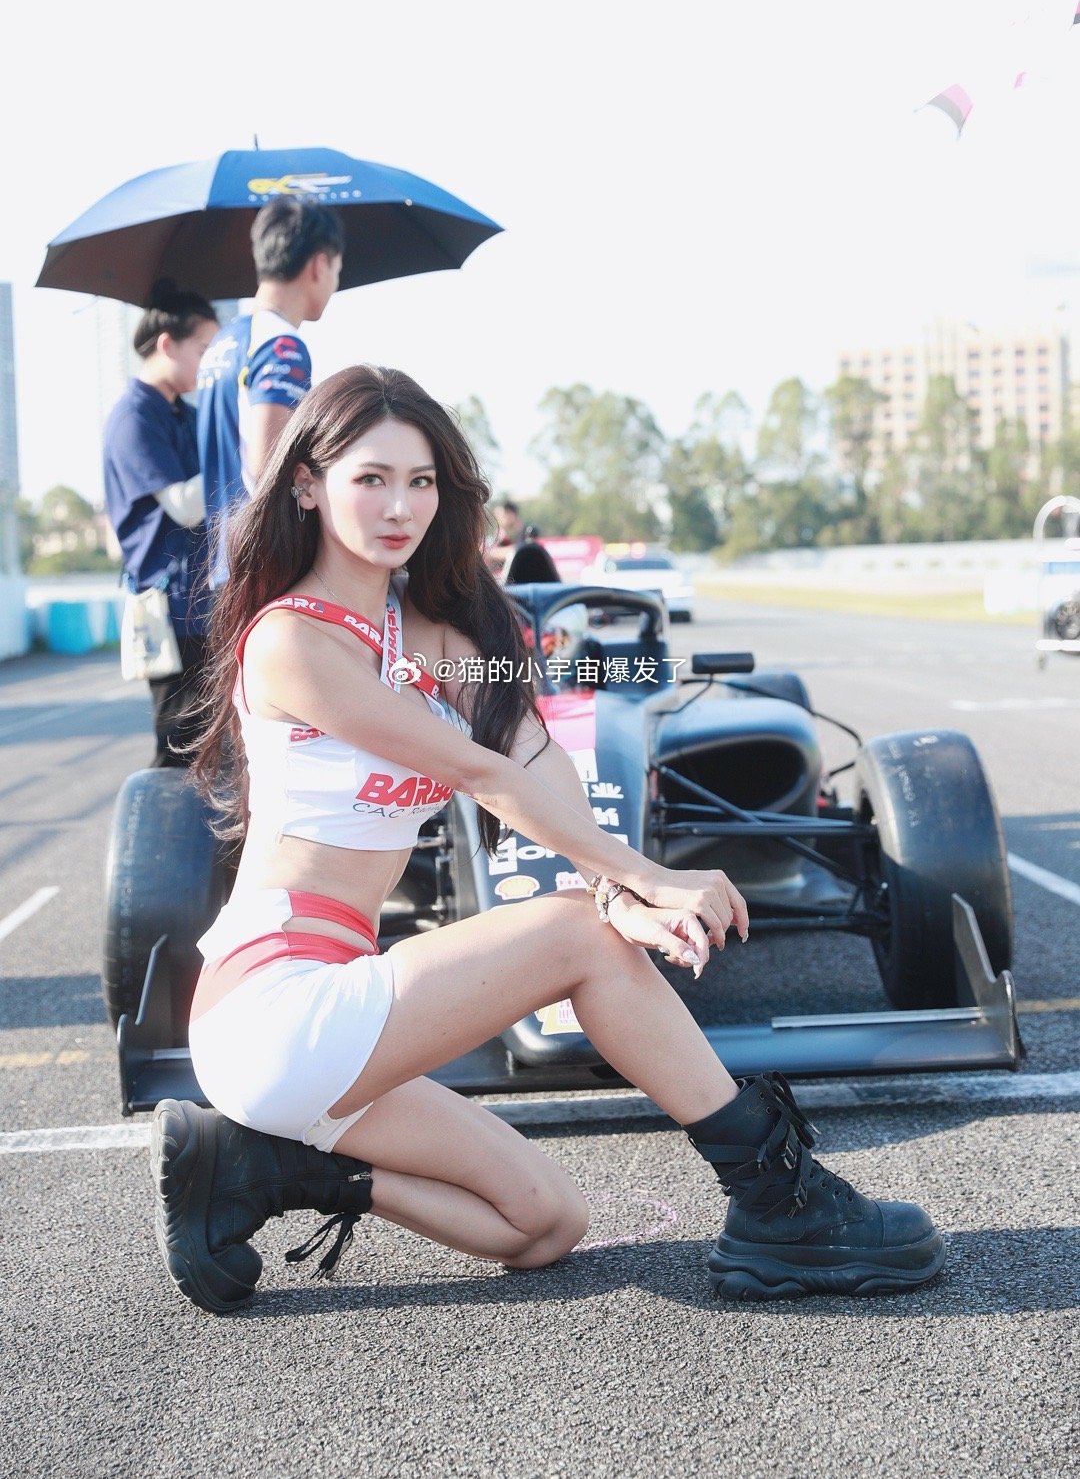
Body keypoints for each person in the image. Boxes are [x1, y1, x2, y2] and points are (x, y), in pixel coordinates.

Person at [150, 365, 945, 1314]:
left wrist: (614, 889)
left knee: (543, 1224)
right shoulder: (292, 641)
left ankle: (271, 1169)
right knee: (577, 935)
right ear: (309, 485)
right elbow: (479, 772)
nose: (400, 506)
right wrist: (646, 880)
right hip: (273, 1008)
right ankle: (781, 1203)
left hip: (334, 1031)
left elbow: (529, 750)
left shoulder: (430, 633)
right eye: (372, 479)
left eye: (421, 480)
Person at [195, 195, 344, 587]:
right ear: (319, 265)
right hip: (264, 561)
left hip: (224, 559)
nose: (335, 284)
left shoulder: (222, 341)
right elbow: (269, 464)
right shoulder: (281, 344)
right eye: (337, 270)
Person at [103, 282, 219, 766]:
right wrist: (242, 458)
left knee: (210, 747)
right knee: (179, 748)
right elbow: (186, 506)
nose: (208, 364)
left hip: (200, 604)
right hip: (170, 610)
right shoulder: (134, 418)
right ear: (168, 344)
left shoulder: (180, 413)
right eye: (203, 350)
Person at [483, 497, 525, 577]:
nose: (498, 520)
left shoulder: (526, 533)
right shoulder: (503, 535)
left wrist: (491, 553)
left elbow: (521, 551)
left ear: (510, 515)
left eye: (500, 516)